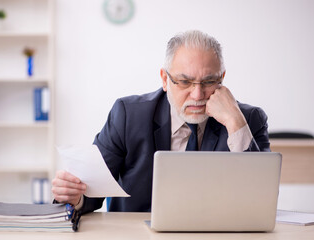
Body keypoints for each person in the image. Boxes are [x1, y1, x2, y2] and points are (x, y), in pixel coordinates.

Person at [52, 30, 270, 214]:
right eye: (185, 82)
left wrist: (235, 123)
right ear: (165, 79)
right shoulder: (129, 115)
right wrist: (75, 195)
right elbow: (91, 191)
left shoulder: (248, 120)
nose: (197, 94)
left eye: (209, 81)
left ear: (221, 79)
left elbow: (262, 198)